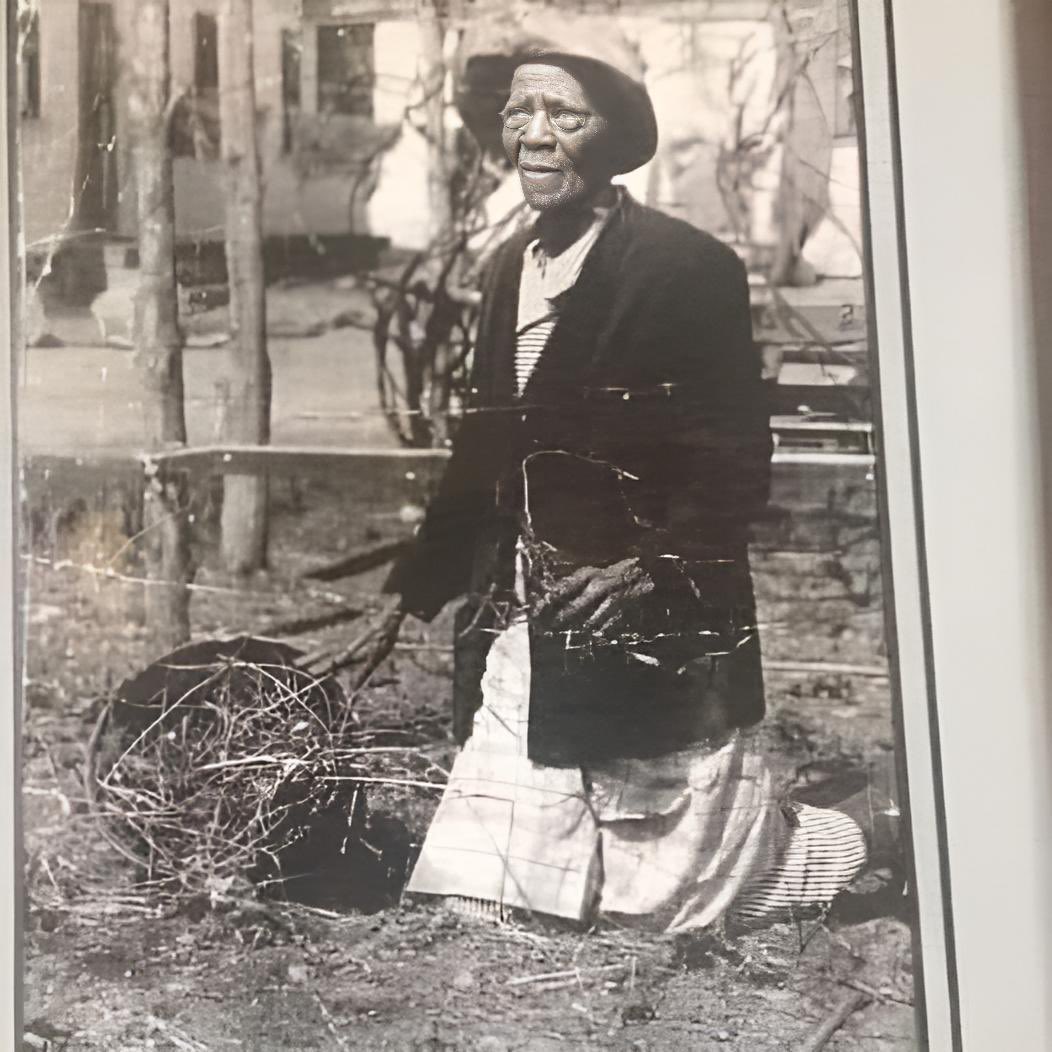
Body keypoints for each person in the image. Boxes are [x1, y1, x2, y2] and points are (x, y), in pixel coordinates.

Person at [376, 32, 867, 932]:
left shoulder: (685, 271)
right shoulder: (504, 272)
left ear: (615, 137)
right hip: (536, 621)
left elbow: (733, 459)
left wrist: (652, 564)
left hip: (655, 621)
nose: (534, 133)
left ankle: (856, 836)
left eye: (565, 113)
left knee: (669, 909)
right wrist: (414, 592)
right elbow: (483, 453)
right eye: (519, 110)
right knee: (480, 902)